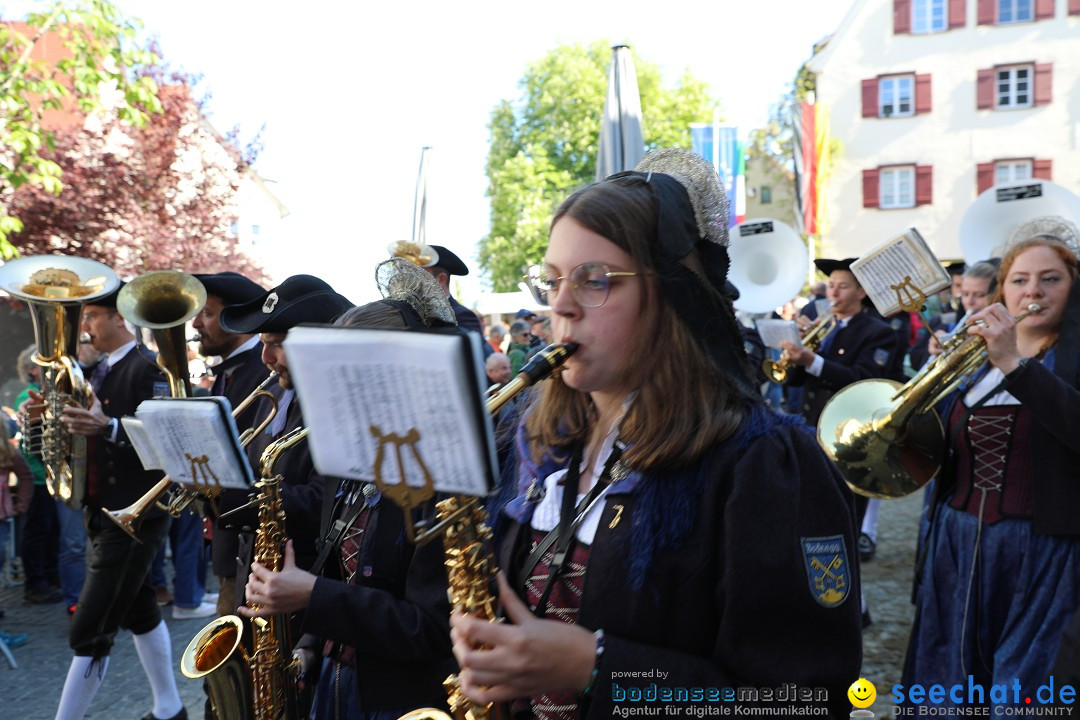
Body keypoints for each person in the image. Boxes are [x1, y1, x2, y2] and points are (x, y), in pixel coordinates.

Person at [450, 148, 861, 719]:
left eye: (594, 280)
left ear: (672, 297)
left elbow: (806, 700)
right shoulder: (539, 442)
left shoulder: (764, 465)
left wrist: (596, 668)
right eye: (550, 280)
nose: (560, 306)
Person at [240, 258, 458, 718]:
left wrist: (311, 597)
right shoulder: (358, 455)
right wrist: (309, 645)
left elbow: (432, 630)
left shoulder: (447, 478)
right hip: (334, 685)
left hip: (399, 701)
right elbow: (340, 568)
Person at [903, 230, 1080, 704]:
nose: (1033, 292)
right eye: (1019, 280)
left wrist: (1015, 364)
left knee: (1022, 685)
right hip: (957, 542)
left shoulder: (1069, 358)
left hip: (1043, 552)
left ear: (1073, 287)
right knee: (951, 675)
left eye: (1051, 279)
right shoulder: (976, 360)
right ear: (1004, 291)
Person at [46, 285, 186, 720]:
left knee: (90, 629)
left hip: (136, 515)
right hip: (104, 509)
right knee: (140, 610)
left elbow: (168, 443)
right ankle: (170, 708)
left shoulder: (150, 368)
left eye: (91, 316)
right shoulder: (100, 368)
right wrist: (50, 420)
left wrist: (108, 429)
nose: (83, 327)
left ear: (120, 318)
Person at [191, 271, 270, 620]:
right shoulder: (227, 371)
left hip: (252, 543)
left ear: (236, 318)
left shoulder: (263, 370)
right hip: (230, 538)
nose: (196, 323)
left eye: (207, 313)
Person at [909, 260, 999, 371]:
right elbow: (915, 362)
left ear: (996, 295)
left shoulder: (1001, 334)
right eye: (965, 294)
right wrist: (932, 352)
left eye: (980, 295)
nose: (969, 301)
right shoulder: (944, 324)